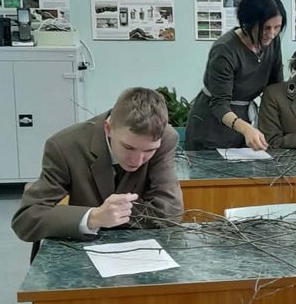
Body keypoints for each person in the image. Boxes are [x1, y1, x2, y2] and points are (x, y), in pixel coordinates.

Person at [12, 87, 183, 242]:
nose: (137, 161)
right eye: (128, 147)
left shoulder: (166, 138)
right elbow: (26, 219)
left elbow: (170, 212)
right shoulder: (65, 146)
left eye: (150, 150)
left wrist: (110, 215)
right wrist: (92, 217)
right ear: (108, 128)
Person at [184, 0, 286, 151]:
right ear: (248, 23)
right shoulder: (225, 50)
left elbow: (275, 88)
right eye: (266, 28)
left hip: (244, 123)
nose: (272, 34)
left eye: (277, 27)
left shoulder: (273, 42)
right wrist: (246, 129)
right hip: (211, 126)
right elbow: (219, 104)